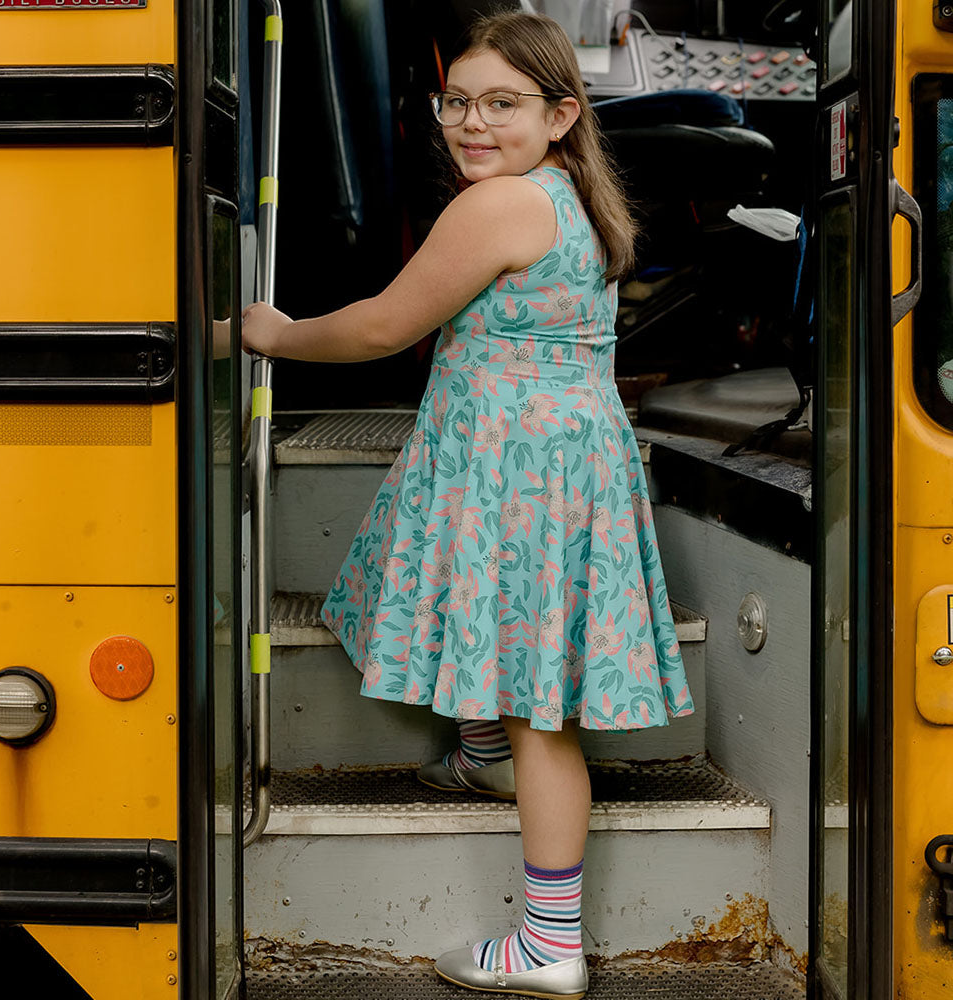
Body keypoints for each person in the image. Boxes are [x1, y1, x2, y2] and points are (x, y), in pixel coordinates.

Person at [242, 10, 695, 998]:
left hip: (522, 461)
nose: (471, 123)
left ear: (561, 113)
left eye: (502, 104)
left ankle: (547, 942)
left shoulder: (497, 207)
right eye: (458, 101)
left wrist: (271, 331)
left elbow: (379, 328)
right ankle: (480, 752)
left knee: (540, 706)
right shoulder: (570, 193)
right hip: (539, 452)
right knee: (464, 603)